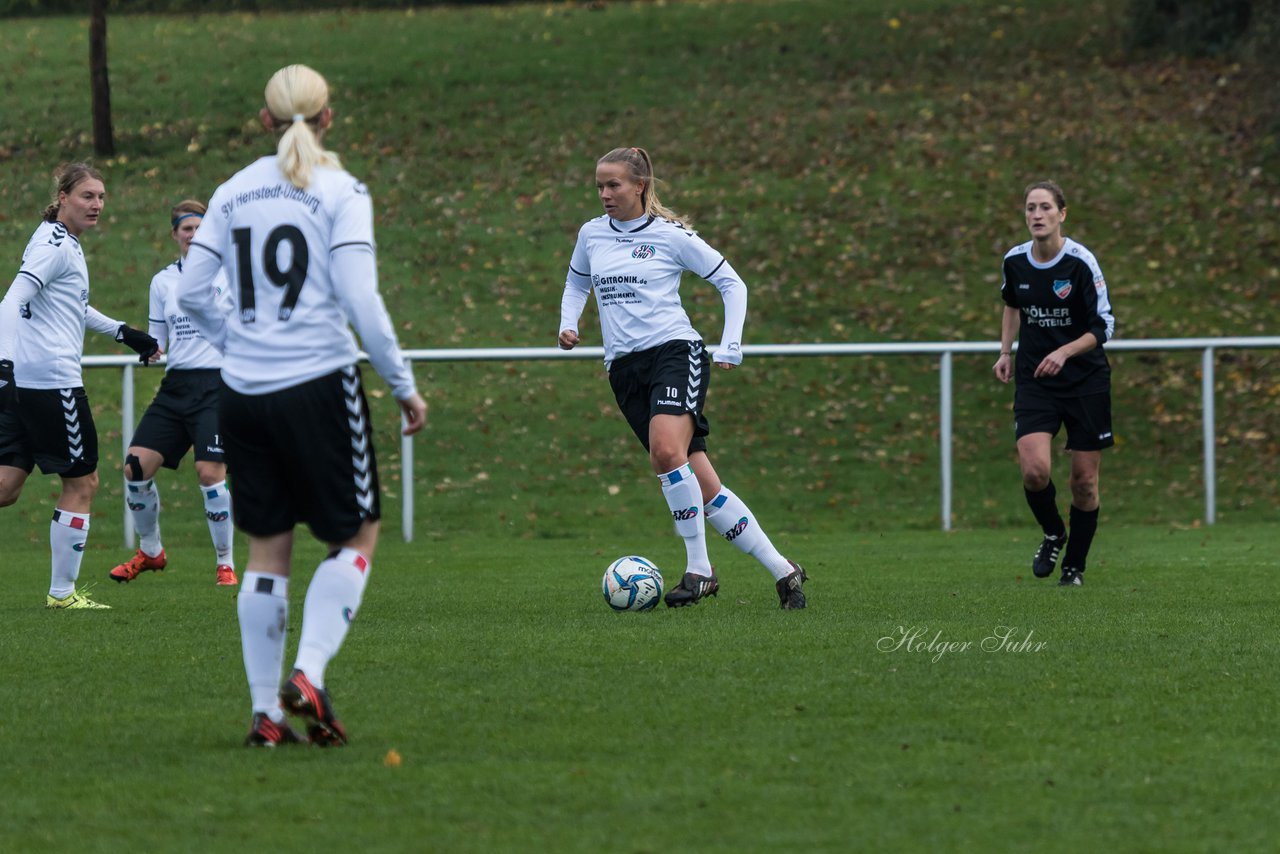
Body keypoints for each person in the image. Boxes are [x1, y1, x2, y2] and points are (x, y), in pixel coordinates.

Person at [178, 64, 427, 748]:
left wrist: (239, 341)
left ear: (264, 121)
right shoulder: (342, 190)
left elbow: (194, 293)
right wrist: (402, 383)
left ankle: (266, 714)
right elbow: (360, 300)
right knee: (356, 534)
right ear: (329, 119)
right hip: (317, 383)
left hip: (242, 392)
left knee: (267, 549)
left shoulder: (229, 192)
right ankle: (310, 672)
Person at [557, 146, 806, 609]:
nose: (605, 194)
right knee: (703, 485)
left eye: (613, 185)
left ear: (639, 185)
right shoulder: (591, 234)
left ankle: (699, 570)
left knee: (666, 452)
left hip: (675, 352)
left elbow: (733, 283)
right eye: (599, 186)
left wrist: (731, 343)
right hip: (623, 368)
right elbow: (577, 282)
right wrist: (567, 323)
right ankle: (784, 571)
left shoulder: (672, 236)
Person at [0, 162, 161, 610]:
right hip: (51, 384)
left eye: (102, 197)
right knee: (83, 482)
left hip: (27, 384)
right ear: (64, 196)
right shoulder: (57, 247)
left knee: (6, 486)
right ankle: (62, 594)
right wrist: (2, 365)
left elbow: (73, 308)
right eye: (88, 196)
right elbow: (10, 302)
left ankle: (62, 593)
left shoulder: (54, 239)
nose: (97, 205)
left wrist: (126, 334)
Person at [109, 200, 239, 588]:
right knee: (135, 468)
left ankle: (225, 563)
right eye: (187, 229)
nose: (194, 235)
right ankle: (151, 552)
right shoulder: (162, 282)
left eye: (201, 228)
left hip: (218, 385)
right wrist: (148, 347)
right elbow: (159, 341)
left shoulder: (229, 275)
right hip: (177, 386)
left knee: (209, 472)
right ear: (175, 235)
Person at [993, 180, 1116, 587]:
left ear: (1062, 214)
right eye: (1030, 208)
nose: (1037, 215)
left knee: (1083, 481)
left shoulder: (1081, 262)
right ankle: (1053, 533)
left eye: (1045, 207)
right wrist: (1005, 352)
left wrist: (1064, 352)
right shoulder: (1015, 261)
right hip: (1035, 380)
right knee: (1034, 471)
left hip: (1085, 380)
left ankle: (1074, 567)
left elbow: (1104, 326)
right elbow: (1012, 305)